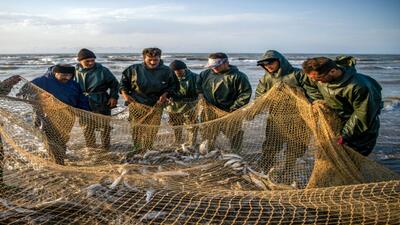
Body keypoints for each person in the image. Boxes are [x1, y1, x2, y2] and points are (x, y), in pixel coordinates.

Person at [254, 50, 319, 175]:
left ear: (280, 61)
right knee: (271, 145)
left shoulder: (298, 74)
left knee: (296, 146)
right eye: (265, 64)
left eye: (271, 62)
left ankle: (288, 170)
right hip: (276, 118)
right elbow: (259, 97)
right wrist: (254, 110)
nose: (268, 66)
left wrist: (311, 105)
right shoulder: (265, 79)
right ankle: (265, 168)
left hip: (299, 118)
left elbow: (314, 93)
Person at [302, 56, 383, 156]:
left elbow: (363, 115)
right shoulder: (320, 78)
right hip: (338, 123)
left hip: (362, 131)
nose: (317, 82)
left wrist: (345, 135)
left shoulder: (359, 86)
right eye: (313, 79)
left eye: (319, 78)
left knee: (352, 163)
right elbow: (309, 85)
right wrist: (320, 101)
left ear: (332, 71)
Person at [120, 47, 178, 152]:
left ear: (160, 58)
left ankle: (148, 149)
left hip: (156, 105)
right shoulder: (133, 69)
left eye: (155, 60)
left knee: (152, 129)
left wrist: (166, 94)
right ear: (144, 58)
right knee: (136, 128)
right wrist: (125, 95)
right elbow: (122, 84)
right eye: (149, 59)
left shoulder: (167, 71)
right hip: (136, 103)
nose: (152, 62)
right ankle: (137, 149)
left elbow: (174, 86)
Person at [31, 64, 90, 165]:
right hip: (46, 115)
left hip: (67, 115)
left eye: (69, 75)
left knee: (63, 138)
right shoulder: (42, 81)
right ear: (55, 73)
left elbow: (81, 100)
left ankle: (59, 155)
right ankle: (58, 161)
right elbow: (23, 92)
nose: (66, 77)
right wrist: (38, 95)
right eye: (63, 75)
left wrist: (84, 111)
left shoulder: (74, 84)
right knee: (51, 139)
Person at [197, 52, 252, 153]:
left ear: (226, 63)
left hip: (230, 111)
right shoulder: (205, 74)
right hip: (209, 111)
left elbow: (245, 94)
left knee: (234, 133)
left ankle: (236, 153)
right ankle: (211, 152)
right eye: (212, 66)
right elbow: (198, 85)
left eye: (217, 66)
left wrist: (235, 108)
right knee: (208, 134)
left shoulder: (238, 76)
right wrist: (200, 94)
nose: (214, 68)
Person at [74, 48, 119, 150]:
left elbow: (115, 84)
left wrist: (113, 97)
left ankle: (106, 148)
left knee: (105, 127)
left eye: (93, 60)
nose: (91, 63)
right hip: (83, 103)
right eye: (87, 61)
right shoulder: (74, 71)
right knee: (86, 127)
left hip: (101, 101)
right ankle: (91, 148)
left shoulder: (103, 70)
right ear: (80, 61)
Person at [166, 60, 198, 146]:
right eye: (175, 72)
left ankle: (191, 143)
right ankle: (177, 140)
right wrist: (168, 97)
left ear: (185, 69)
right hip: (173, 105)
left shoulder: (195, 77)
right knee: (175, 124)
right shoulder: (168, 78)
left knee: (192, 124)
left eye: (179, 71)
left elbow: (200, 90)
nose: (177, 73)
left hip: (190, 104)